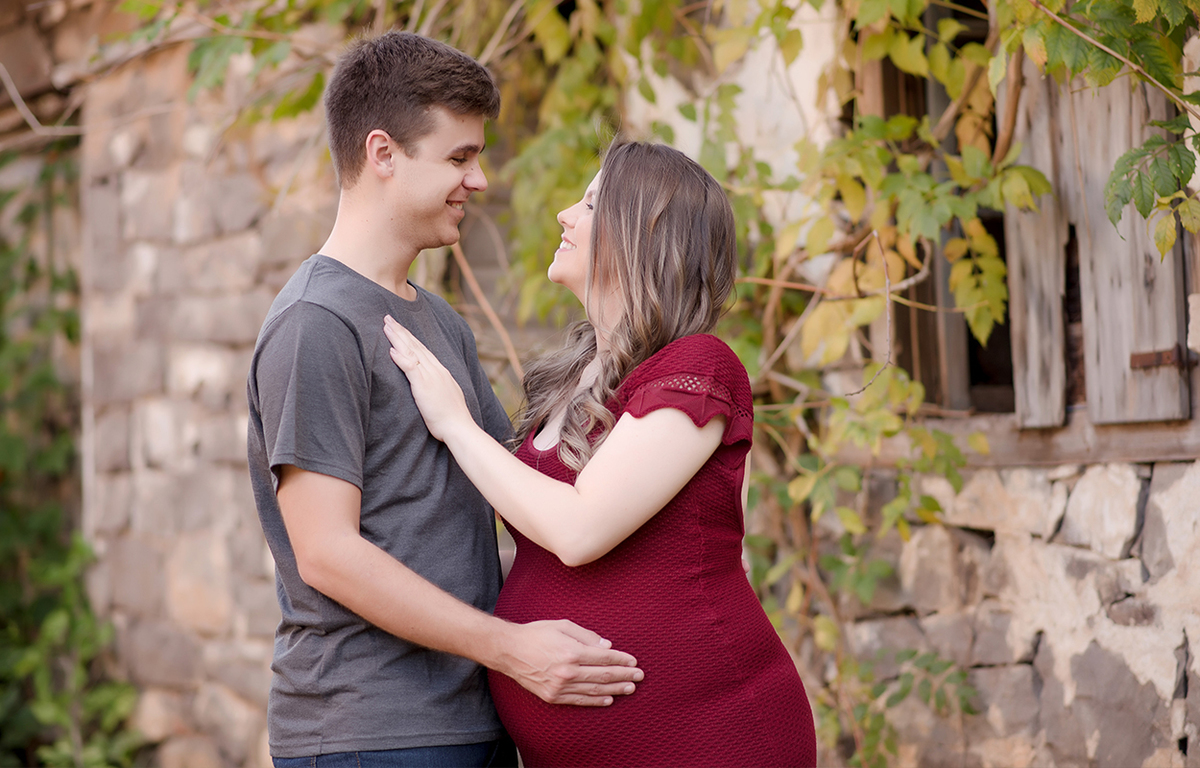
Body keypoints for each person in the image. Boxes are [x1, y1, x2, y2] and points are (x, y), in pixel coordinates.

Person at [246, 32, 643, 768]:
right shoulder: (316, 323)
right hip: (372, 731)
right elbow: (327, 554)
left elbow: (521, 484)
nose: (481, 179)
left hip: (469, 717)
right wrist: (513, 649)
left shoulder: (438, 322)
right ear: (383, 155)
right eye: (459, 157)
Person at [384, 141, 818, 767]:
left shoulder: (699, 368)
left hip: (711, 738)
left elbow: (579, 529)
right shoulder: (576, 377)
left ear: (644, 235)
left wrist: (456, 425)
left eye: (590, 203)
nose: (564, 214)